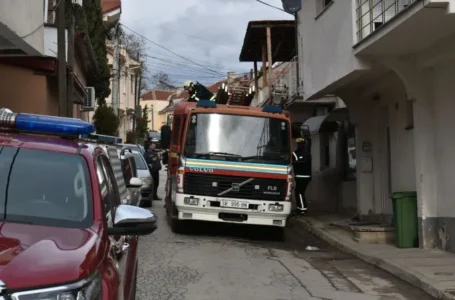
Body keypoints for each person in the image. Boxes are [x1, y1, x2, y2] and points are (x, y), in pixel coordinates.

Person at [293, 137, 311, 214]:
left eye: (301, 144)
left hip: (301, 176)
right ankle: (300, 208)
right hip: (306, 176)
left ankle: (302, 209)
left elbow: (294, 163)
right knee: (299, 192)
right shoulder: (307, 153)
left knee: (299, 192)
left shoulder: (295, 153)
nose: (300, 145)